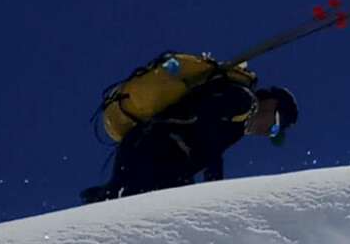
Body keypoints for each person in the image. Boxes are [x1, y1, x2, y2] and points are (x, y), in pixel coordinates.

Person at [82, 80, 298, 202]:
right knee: (141, 209)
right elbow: (207, 121)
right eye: (275, 126)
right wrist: (214, 185)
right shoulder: (243, 101)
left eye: (274, 134)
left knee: (117, 200)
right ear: (271, 104)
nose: (268, 132)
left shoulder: (238, 124)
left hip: (148, 151)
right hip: (154, 150)